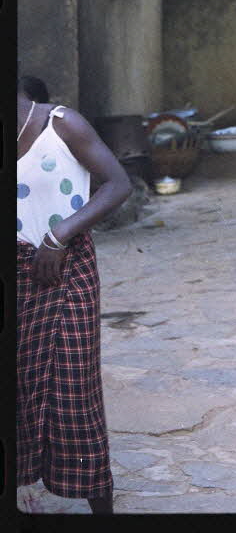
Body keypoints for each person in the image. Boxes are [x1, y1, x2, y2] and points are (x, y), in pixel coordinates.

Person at [17, 77, 132, 515]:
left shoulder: (62, 124)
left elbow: (117, 184)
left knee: (73, 389)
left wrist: (60, 234)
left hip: (65, 268)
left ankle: (101, 506)